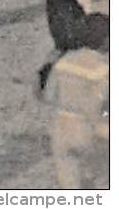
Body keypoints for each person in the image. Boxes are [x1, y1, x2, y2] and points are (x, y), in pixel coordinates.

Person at [43, 14, 110, 189]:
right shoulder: (103, 68)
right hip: (89, 130)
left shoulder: (64, 61)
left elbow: (49, 95)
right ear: (105, 40)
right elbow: (101, 103)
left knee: (69, 186)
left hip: (61, 128)